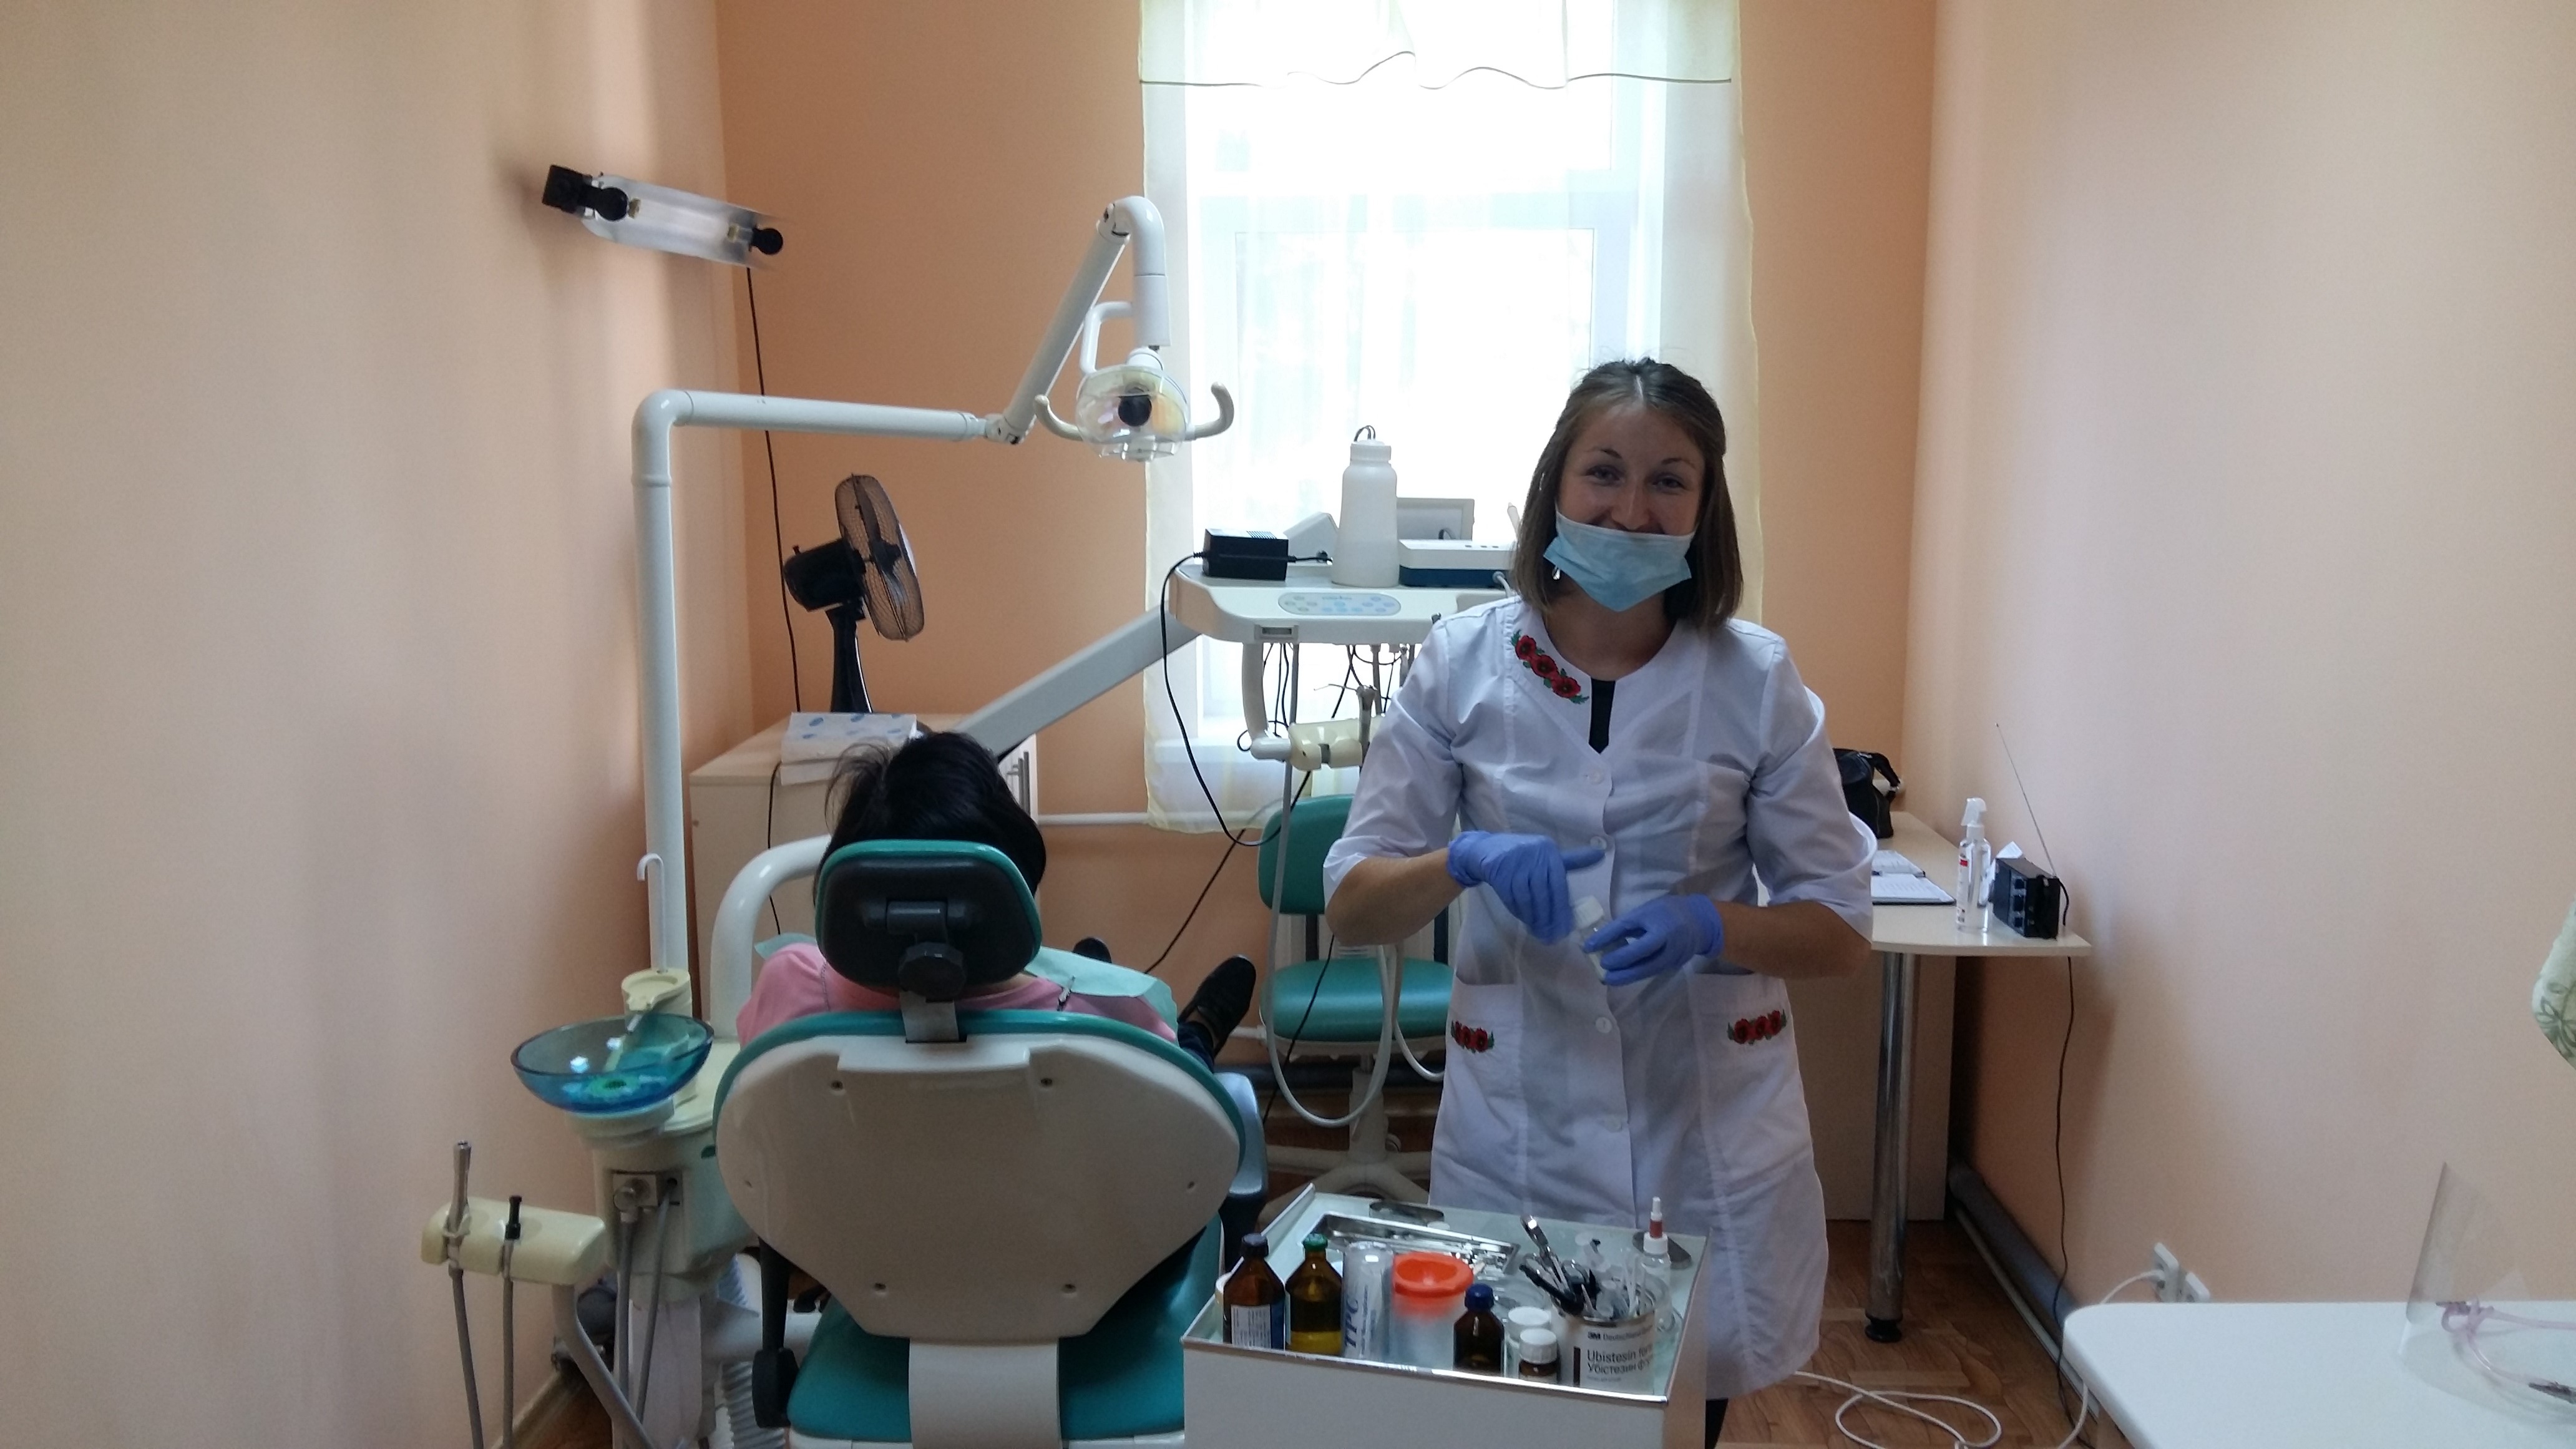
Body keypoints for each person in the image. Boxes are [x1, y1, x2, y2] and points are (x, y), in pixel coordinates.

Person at [1322, 359, 1871, 1443]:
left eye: (1669, 481)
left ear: (1705, 507)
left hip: (1700, 1117)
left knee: (1680, 1405)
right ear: (1554, 486)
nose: (1631, 509)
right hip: (1519, 1116)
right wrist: (1463, 858)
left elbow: (1840, 930)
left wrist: (1713, 924)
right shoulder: (1462, 664)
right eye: (1604, 472)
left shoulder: (1756, 681)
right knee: (1512, 1399)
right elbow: (1354, 902)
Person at [738, 731, 1256, 1068]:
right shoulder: (1107, 1017)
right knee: (1189, 1059)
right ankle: (1201, 1030)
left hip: (861, 1211)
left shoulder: (791, 986)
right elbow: (1188, 1121)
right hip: (1057, 1211)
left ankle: (1097, 968)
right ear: (1012, 874)